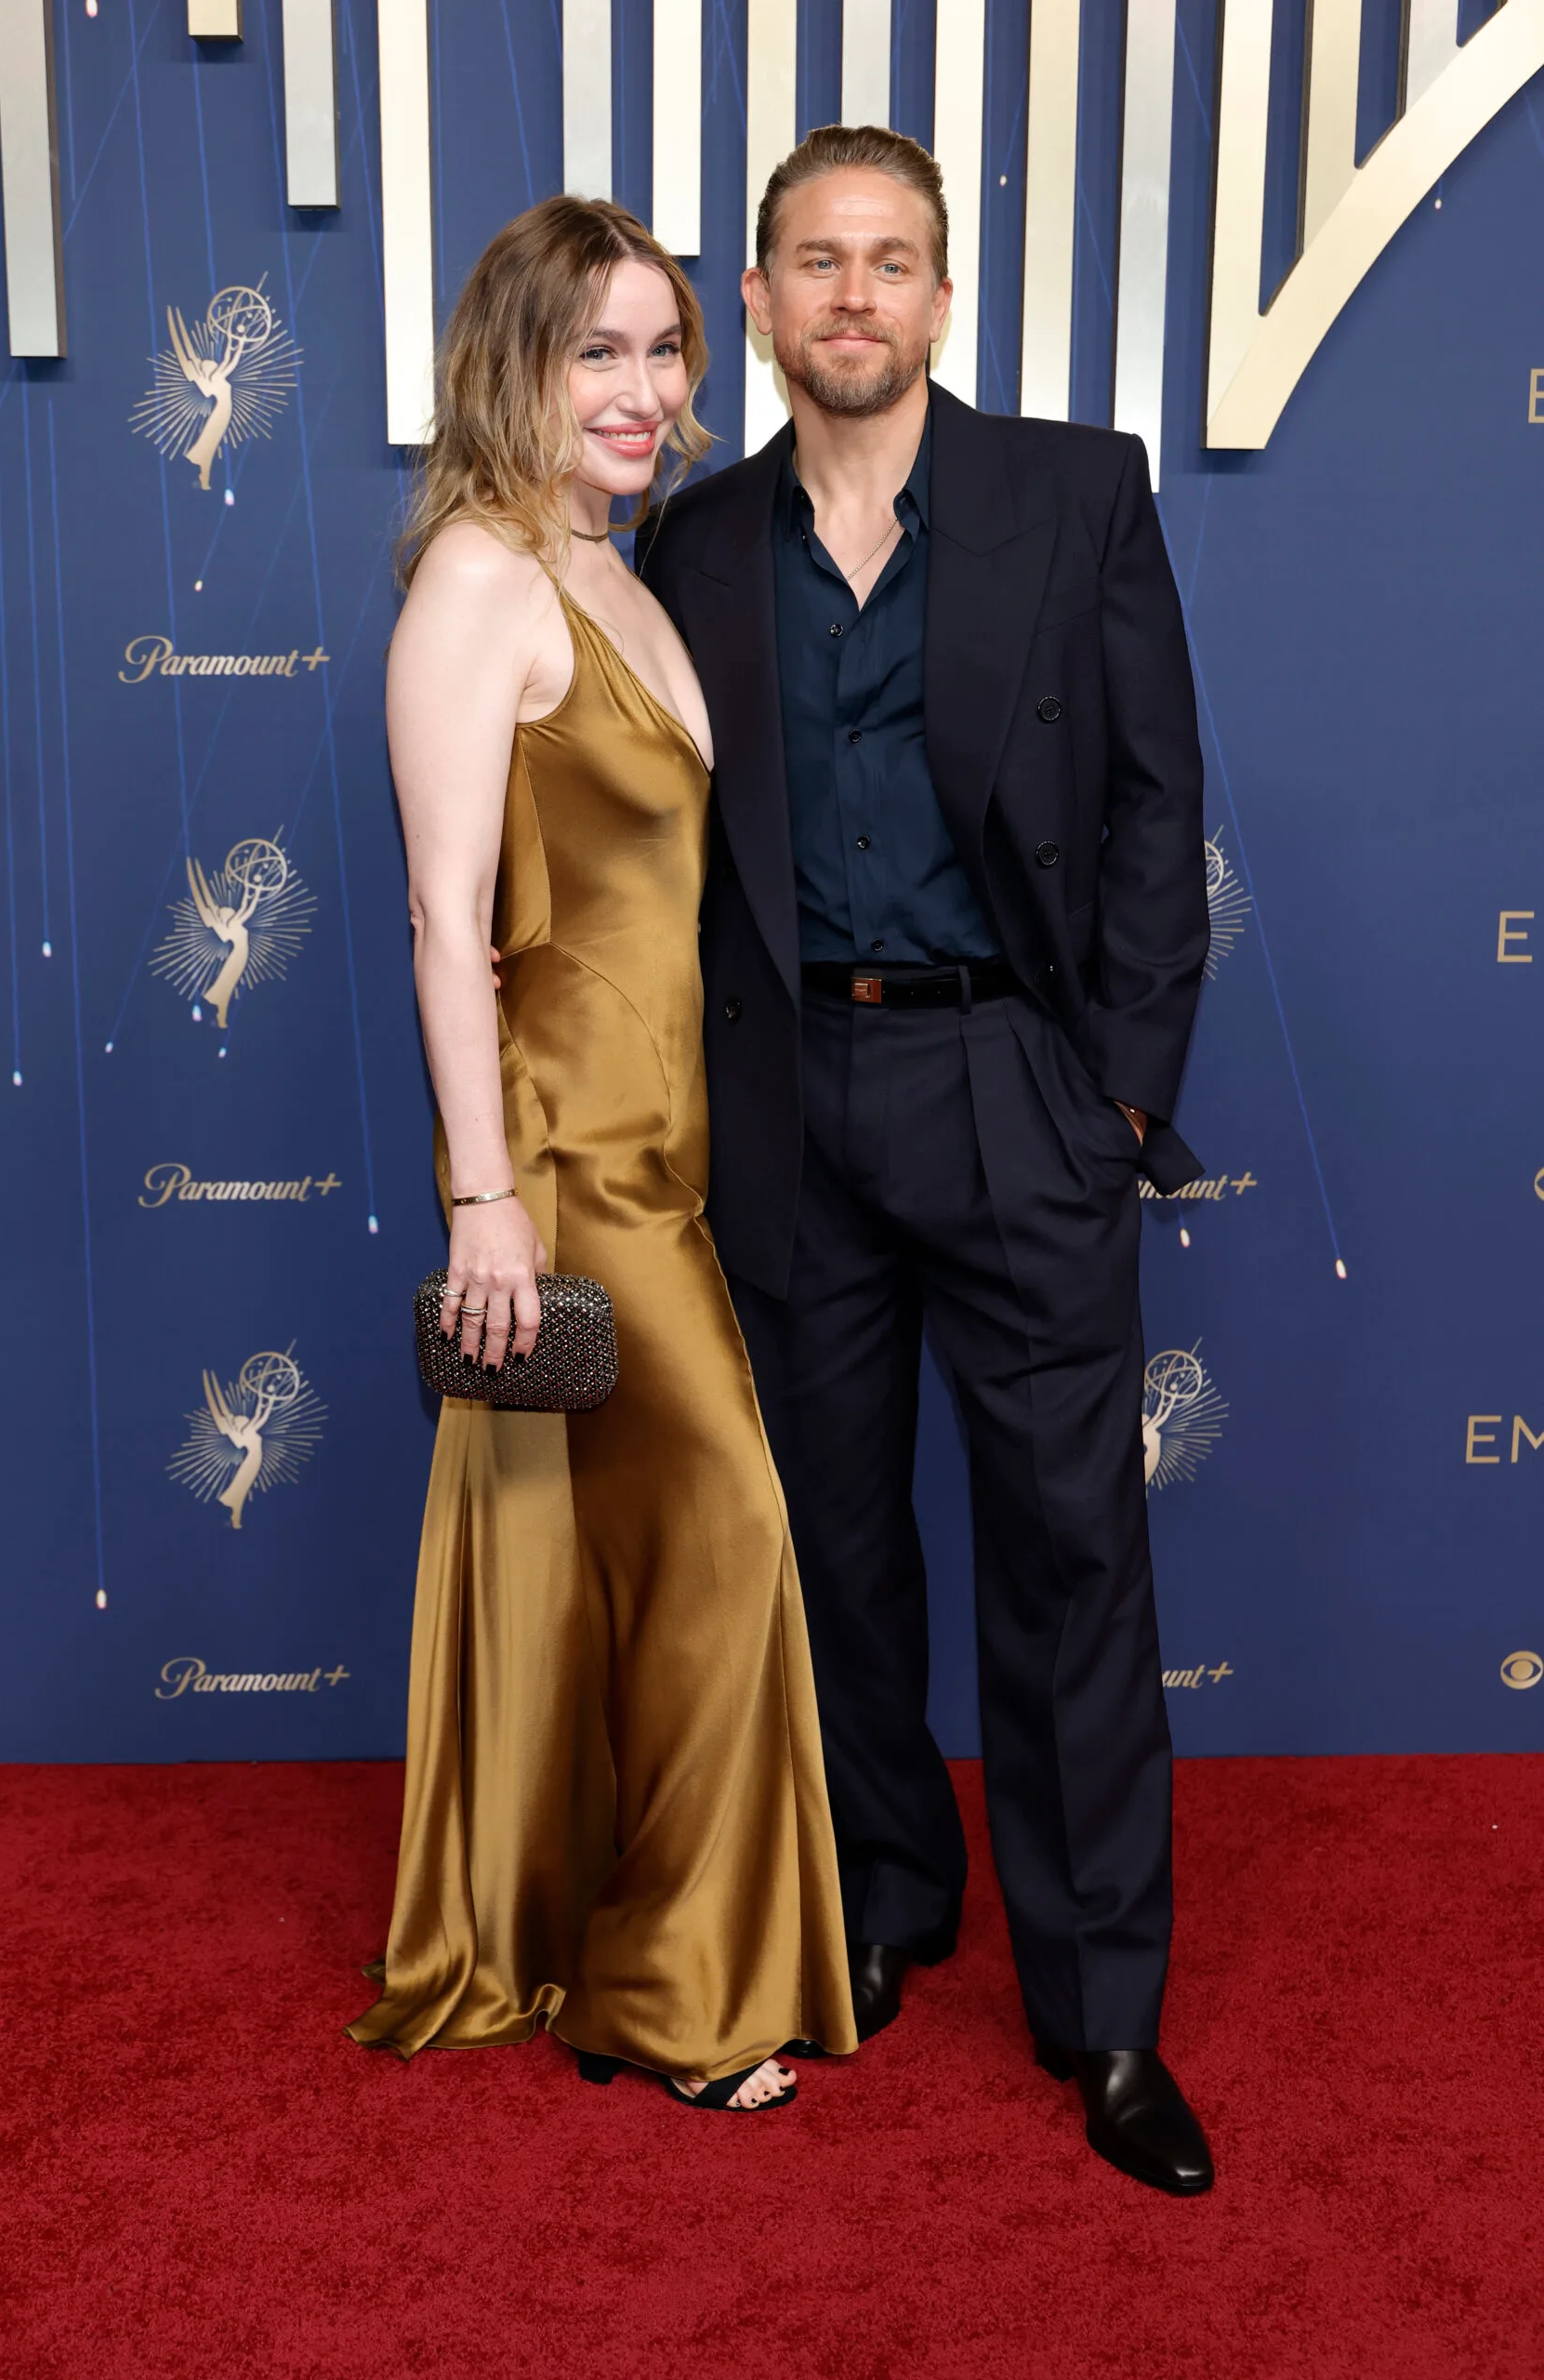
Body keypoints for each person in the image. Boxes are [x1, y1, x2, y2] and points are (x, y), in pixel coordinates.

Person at [639, 126, 1214, 2190]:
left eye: (892, 260)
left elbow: (1157, 799)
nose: (855, 293)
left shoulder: (1078, 491)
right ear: (769, 302)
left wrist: (1120, 1096)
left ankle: (1105, 2011)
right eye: (816, 261)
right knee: (836, 1541)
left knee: (1072, 1554)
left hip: (1015, 1089)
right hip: (795, 1098)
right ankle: (889, 1890)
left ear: (942, 296)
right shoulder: (692, 545)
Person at [349, 195, 856, 2110]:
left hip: (675, 1158)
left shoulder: (620, 565)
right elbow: (438, 910)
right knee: (726, 1529)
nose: (645, 392)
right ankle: (670, 1987)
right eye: (600, 354)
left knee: (636, 1561)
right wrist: (483, 1193)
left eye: (664, 351)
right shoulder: (484, 578)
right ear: (514, 365)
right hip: (566, 1171)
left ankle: (592, 1925)